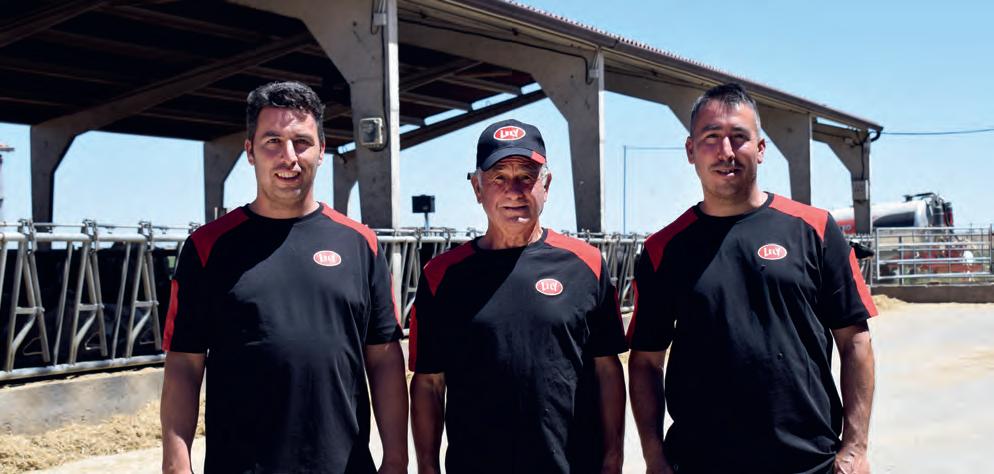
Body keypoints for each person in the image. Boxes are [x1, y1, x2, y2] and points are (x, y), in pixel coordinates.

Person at [627, 83, 877, 474]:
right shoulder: (664, 250)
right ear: (691, 150)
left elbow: (856, 340)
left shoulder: (814, 229)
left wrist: (855, 447)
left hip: (808, 463)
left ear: (760, 148)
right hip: (700, 463)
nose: (726, 151)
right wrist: (654, 456)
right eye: (711, 137)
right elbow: (645, 363)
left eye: (739, 137)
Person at [160, 81, 408, 474]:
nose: (288, 156)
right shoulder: (207, 248)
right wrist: (176, 464)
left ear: (322, 150)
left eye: (301, 142)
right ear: (250, 151)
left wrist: (395, 459)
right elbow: (184, 364)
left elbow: (384, 359)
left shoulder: (361, 244)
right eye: (272, 141)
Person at [409, 119, 628, 474]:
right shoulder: (441, 276)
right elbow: (429, 382)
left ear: (546, 185)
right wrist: (428, 469)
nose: (514, 190)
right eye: (499, 177)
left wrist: (613, 460)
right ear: (477, 187)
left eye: (526, 176)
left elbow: (607, 369)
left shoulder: (586, 264)